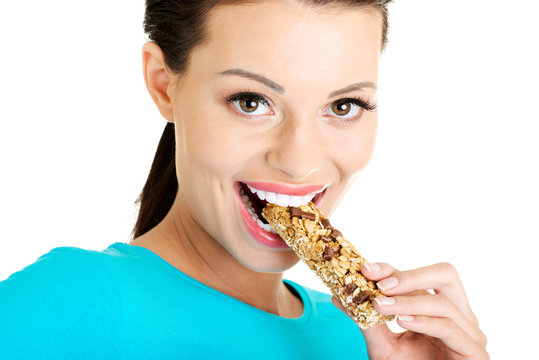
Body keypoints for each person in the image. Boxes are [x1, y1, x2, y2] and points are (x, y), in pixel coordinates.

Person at [0, 0, 489, 359]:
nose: (299, 162)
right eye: (251, 101)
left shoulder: (373, 342)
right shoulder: (73, 305)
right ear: (163, 83)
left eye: (343, 106)